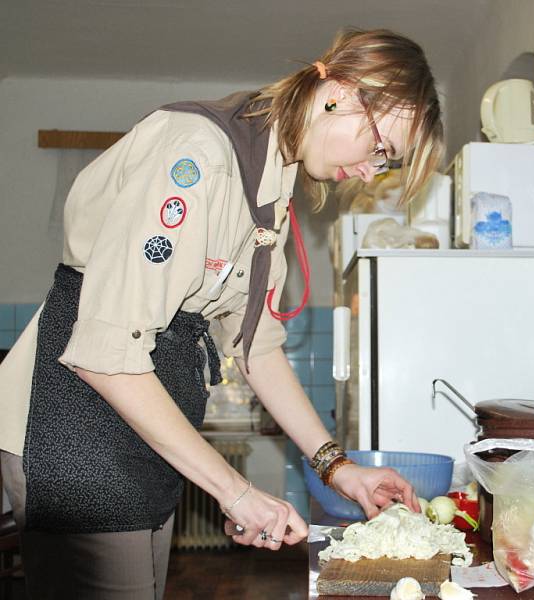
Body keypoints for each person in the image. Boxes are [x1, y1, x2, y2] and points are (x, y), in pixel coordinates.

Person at [0, 27, 444, 599]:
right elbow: (105, 353)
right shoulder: (198, 155)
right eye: (380, 149)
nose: (369, 171)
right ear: (340, 90)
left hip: (139, 427)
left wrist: (339, 466)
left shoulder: (271, 184)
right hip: (74, 425)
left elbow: (256, 346)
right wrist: (234, 490)